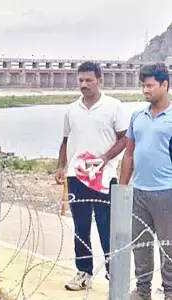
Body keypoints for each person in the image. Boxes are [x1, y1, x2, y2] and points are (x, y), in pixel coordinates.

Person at [54, 61, 128, 291]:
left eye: (88, 80)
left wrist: (104, 158)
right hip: (77, 177)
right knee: (81, 227)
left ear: (100, 80)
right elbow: (66, 140)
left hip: (103, 177)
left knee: (106, 227)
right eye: (81, 80)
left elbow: (124, 139)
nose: (84, 85)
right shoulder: (71, 109)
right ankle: (83, 272)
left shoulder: (114, 106)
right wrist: (61, 166)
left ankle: (112, 273)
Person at [120, 63, 172, 300]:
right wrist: (123, 187)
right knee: (140, 246)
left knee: (168, 247)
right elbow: (129, 153)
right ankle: (142, 292)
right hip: (139, 193)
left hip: (166, 192)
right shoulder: (137, 117)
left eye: (150, 85)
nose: (145, 90)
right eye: (143, 86)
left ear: (165, 85)